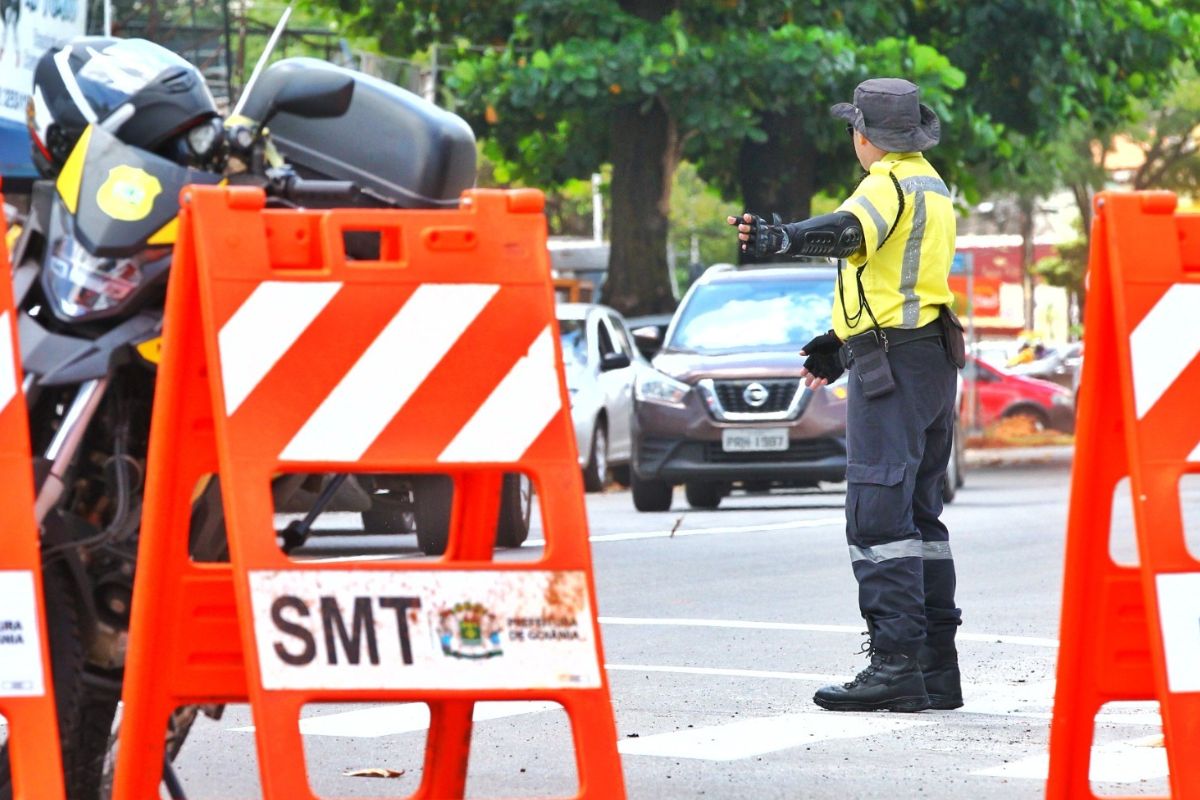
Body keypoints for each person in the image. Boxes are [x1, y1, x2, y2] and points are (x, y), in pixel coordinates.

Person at [728, 78, 965, 713]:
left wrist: (783, 239)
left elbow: (850, 232)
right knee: (919, 517)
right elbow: (901, 281)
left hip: (897, 366)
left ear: (864, 135)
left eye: (853, 130)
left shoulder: (884, 184)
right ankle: (937, 670)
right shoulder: (931, 184)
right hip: (929, 358)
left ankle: (895, 667)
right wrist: (842, 339)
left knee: (877, 514)